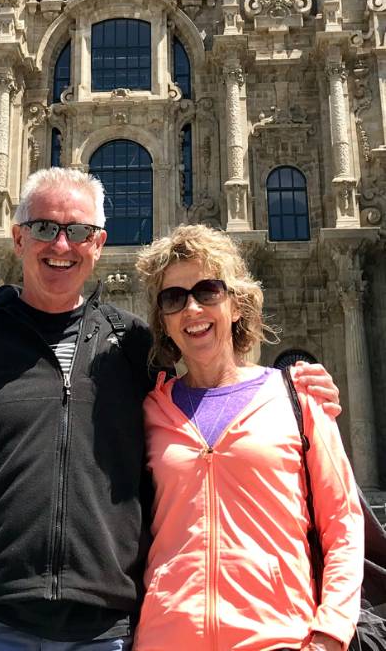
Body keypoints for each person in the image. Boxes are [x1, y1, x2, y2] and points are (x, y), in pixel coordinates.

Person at [0, 170, 341, 651]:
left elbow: (213, 396)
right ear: (18, 237)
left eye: (79, 232)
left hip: (101, 633)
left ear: (99, 243)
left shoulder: (134, 349)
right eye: (45, 228)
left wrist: (288, 385)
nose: (61, 246)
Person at [133, 223, 364, 651]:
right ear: (162, 321)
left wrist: (331, 634)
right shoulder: (149, 413)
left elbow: (344, 524)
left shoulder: (298, 397)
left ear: (236, 305)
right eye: (174, 298)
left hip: (277, 637)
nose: (192, 309)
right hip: (165, 638)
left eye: (208, 291)